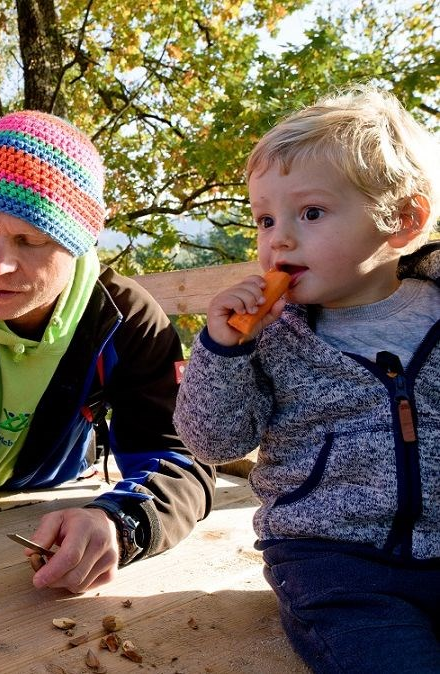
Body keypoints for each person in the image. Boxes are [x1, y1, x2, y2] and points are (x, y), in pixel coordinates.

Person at [0, 109, 216, 594]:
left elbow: (179, 457)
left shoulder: (129, 321)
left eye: (31, 241)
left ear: (79, 243)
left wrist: (119, 524)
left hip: (59, 503)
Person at [173, 86, 440, 673]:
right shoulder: (269, 334)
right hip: (331, 561)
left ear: (402, 220)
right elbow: (213, 441)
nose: (279, 239)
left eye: (310, 212)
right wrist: (222, 350)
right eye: (265, 219)